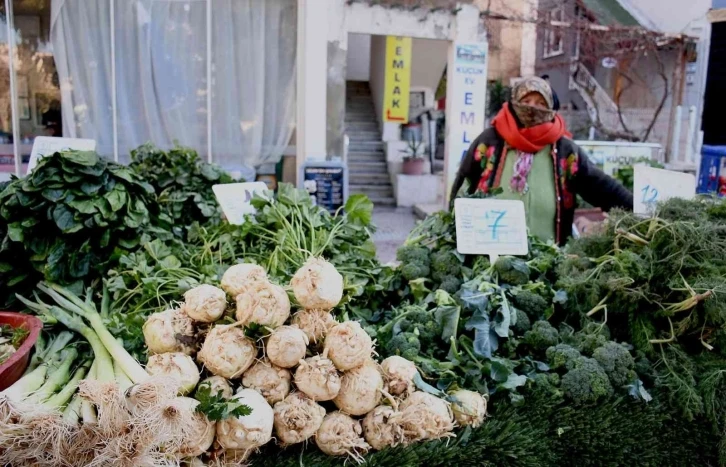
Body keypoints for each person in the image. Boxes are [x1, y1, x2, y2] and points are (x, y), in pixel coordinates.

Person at [449, 76, 632, 245]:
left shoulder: (566, 151)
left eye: (541, 103)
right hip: (491, 257)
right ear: (514, 104)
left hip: (548, 260)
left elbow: (601, 187)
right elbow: (463, 186)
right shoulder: (489, 141)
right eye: (526, 101)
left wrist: (637, 209)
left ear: (551, 108)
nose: (532, 108)